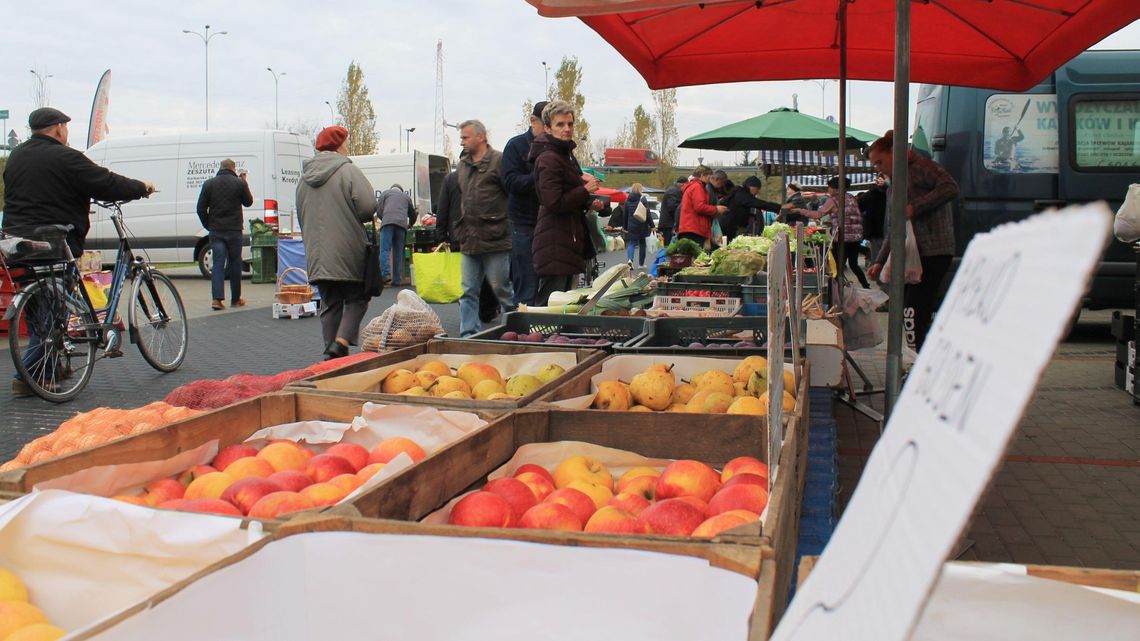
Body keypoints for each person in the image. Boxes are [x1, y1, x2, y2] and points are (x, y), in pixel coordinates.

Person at [2, 107, 155, 396]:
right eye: (65, 128)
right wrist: (140, 188)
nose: (67, 133)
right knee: (54, 314)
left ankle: (50, 371)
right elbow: (105, 182)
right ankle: (28, 374)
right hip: (55, 240)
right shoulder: (66, 157)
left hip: (17, 244)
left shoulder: (17, 157)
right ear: (58, 128)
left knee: (40, 309)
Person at [866, 129, 959, 351]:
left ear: (893, 153)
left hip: (934, 251)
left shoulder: (921, 167)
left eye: (880, 162)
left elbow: (950, 187)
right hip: (911, 253)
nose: (878, 168)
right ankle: (918, 358)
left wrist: (914, 208)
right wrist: (879, 260)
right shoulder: (892, 186)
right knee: (910, 311)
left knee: (914, 311)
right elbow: (894, 227)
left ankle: (920, 363)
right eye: (875, 165)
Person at [295, 125, 378, 360]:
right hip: (347, 248)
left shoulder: (304, 179)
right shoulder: (348, 170)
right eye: (346, 142)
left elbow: (301, 214)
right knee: (358, 297)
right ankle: (341, 343)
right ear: (340, 145)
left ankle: (331, 357)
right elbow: (367, 207)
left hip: (316, 253)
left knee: (330, 302)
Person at [529, 100, 604, 305]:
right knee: (550, 305)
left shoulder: (565, 155)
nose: (567, 129)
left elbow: (567, 195)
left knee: (564, 304)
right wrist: (584, 190)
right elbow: (553, 202)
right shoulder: (549, 158)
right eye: (560, 125)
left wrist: (588, 202)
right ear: (547, 128)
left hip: (567, 239)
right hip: (554, 240)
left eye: (570, 124)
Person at [455, 120, 514, 336]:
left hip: (495, 237)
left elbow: (510, 194)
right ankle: (468, 334)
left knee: (501, 289)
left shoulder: (499, 161)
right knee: (468, 291)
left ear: (481, 137)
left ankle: (515, 324)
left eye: (465, 137)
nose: (462, 141)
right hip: (469, 238)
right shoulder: (462, 165)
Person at [434, 165, 501, 323]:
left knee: (466, 277)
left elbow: (442, 209)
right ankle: (486, 310)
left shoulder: (450, 179)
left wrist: (441, 236)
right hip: (484, 235)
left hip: (459, 237)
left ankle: (471, 311)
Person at [501, 100, 547, 306]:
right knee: (526, 286)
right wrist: (540, 175)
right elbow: (510, 182)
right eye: (546, 123)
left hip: (550, 224)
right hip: (524, 224)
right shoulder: (515, 146)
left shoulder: (556, 148)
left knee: (548, 290)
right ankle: (517, 333)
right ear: (533, 121)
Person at [788, 176, 871, 288]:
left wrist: (800, 210)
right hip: (856, 237)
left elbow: (818, 214)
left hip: (842, 238)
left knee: (837, 267)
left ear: (835, 188)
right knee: (853, 264)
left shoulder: (833, 200)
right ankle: (866, 286)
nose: (828, 190)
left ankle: (837, 291)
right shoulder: (851, 197)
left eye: (829, 187)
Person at [196, 158, 253, 310]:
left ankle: (217, 300)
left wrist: (208, 225)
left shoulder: (209, 184)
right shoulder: (239, 183)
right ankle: (235, 299)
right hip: (234, 230)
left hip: (216, 231)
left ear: (220, 168)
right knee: (235, 263)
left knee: (218, 264)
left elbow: (200, 208)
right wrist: (244, 182)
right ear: (234, 169)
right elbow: (248, 202)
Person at [676, 165, 728, 248]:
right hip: (694, 229)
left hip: (690, 228)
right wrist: (716, 209)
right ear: (702, 175)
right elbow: (699, 207)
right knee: (697, 258)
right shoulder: (697, 187)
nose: (709, 178)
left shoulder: (694, 186)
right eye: (708, 176)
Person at [376, 184, 416, 287]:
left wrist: (384, 218)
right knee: (398, 252)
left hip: (387, 223)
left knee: (385, 249)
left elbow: (379, 210)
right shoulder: (406, 197)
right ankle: (397, 280)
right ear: (401, 190)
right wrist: (410, 224)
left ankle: (386, 276)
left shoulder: (385, 193)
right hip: (401, 225)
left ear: (392, 188)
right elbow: (412, 214)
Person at [720, 176, 780, 241]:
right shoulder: (741, 194)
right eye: (758, 189)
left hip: (730, 225)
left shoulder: (740, 192)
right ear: (752, 187)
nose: (758, 192)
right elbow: (759, 203)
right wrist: (779, 208)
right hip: (729, 226)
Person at [623, 183, 656, 268]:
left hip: (631, 225)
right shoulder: (643, 199)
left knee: (632, 243)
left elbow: (625, 215)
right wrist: (652, 225)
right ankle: (641, 264)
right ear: (640, 189)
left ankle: (630, 260)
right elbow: (647, 213)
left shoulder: (627, 200)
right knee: (642, 244)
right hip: (642, 225)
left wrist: (625, 227)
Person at [858, 173, 888, 268]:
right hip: (892, 231)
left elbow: (859, 206)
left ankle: (882, 277)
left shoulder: (871, 194)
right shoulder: (895, 192)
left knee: (878, 258)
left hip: (876, 231)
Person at [659, 176, 686, 246]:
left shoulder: (673, 190)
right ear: (683, 184)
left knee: (668, 246)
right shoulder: (674, 191)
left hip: (668, 224)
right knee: (669, 246)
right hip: (669, 224)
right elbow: (672, 207)